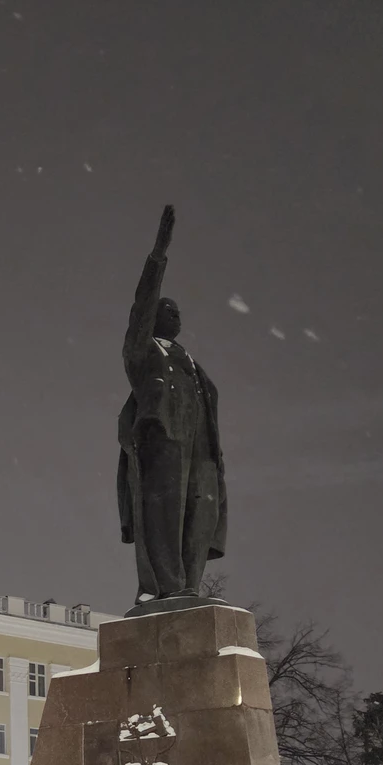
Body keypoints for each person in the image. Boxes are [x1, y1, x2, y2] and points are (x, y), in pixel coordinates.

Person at [117, 205, 227, 606]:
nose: (177, 317)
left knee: (201, 516)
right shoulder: (143, 352)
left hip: (201, 451)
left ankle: (190, 588)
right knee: (164, 517)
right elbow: (141, 309)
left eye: (179, 313)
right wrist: (158, 256)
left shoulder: (192, 363)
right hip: (163, 443)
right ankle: (165, 587)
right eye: (169, 311)